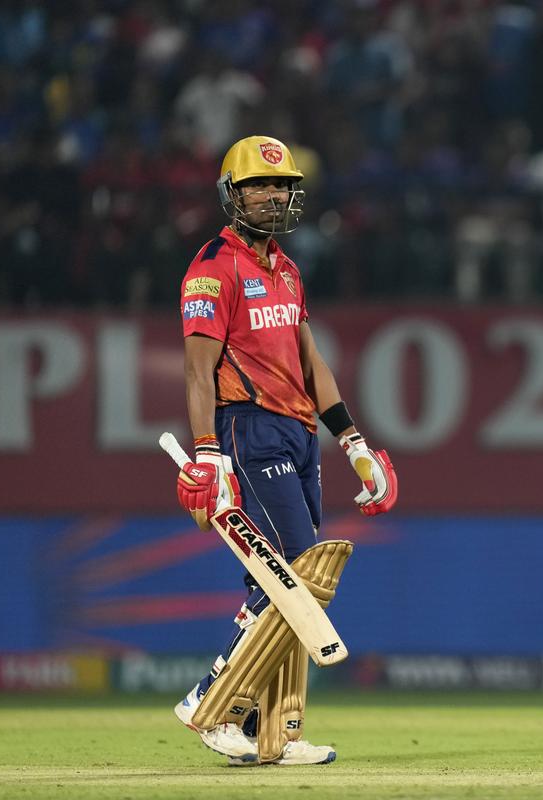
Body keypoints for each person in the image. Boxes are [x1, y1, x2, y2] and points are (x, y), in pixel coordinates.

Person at [170, 135, 398, 765]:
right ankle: (213, 701)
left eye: (280, 186)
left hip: (298, 435)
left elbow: (309, 361)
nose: (272, 195)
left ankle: (277, 734)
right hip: (248, 429)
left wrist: (352, 441)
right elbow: (198, 371)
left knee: (284, 583)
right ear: (231, 194)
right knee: (296, 574)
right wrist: (209, 453)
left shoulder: (288, 269)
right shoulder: (213, 266)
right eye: (257, 186)